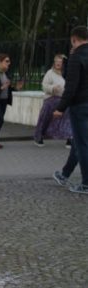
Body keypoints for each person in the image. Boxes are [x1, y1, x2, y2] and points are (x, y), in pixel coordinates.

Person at [53, 26, 88, 194]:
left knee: (82, 145)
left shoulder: (76, 57)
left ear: (74, 39)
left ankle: (86, 183)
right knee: (78, 142)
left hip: (80, 106)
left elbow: (71, 87)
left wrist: (60, 108)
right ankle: (65, 174)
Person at [0, 53, 23, 149]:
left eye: (9, 61)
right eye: (6, 61)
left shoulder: (6, 73)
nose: (9, 63)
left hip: (3, 101)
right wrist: (0, 87)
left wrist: (16, 88)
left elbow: (8, 88)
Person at [34, 54, 72, 146]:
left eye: (60, 62)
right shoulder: (50, 73)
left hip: (63, 100)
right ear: (54, 63)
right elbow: (44, 86)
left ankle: (69, 138)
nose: (58, 64)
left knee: (68, 118)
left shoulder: (66, 73)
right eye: (57, 62)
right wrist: (52, 88)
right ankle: (39, 137)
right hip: (51, 99)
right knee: (45, 118)